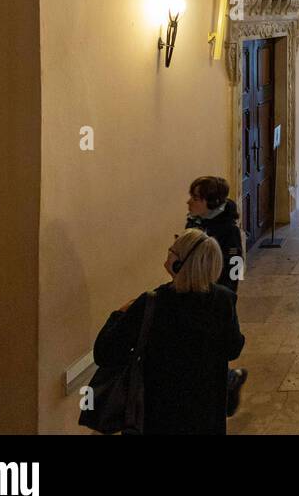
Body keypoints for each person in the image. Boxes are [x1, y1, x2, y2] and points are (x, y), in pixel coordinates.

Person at [91, 229, 245, 435]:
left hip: (161, 418)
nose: (168, 252)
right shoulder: (223, 299)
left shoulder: (152, 304)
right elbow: (233, 348)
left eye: (172, 250)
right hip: (207, 417)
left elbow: (104, 352)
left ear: (179, 263)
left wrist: (119, 313)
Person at [185, 176, 249, 412]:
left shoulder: (227, 231)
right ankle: (229, 379)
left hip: (214, 297)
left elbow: (235, 266)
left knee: (214, 344)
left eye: (195, 198)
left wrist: (226, 296)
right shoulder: (195, 222)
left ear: (211, 202)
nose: (189, 202)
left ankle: (227, 382)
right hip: (193, 292)